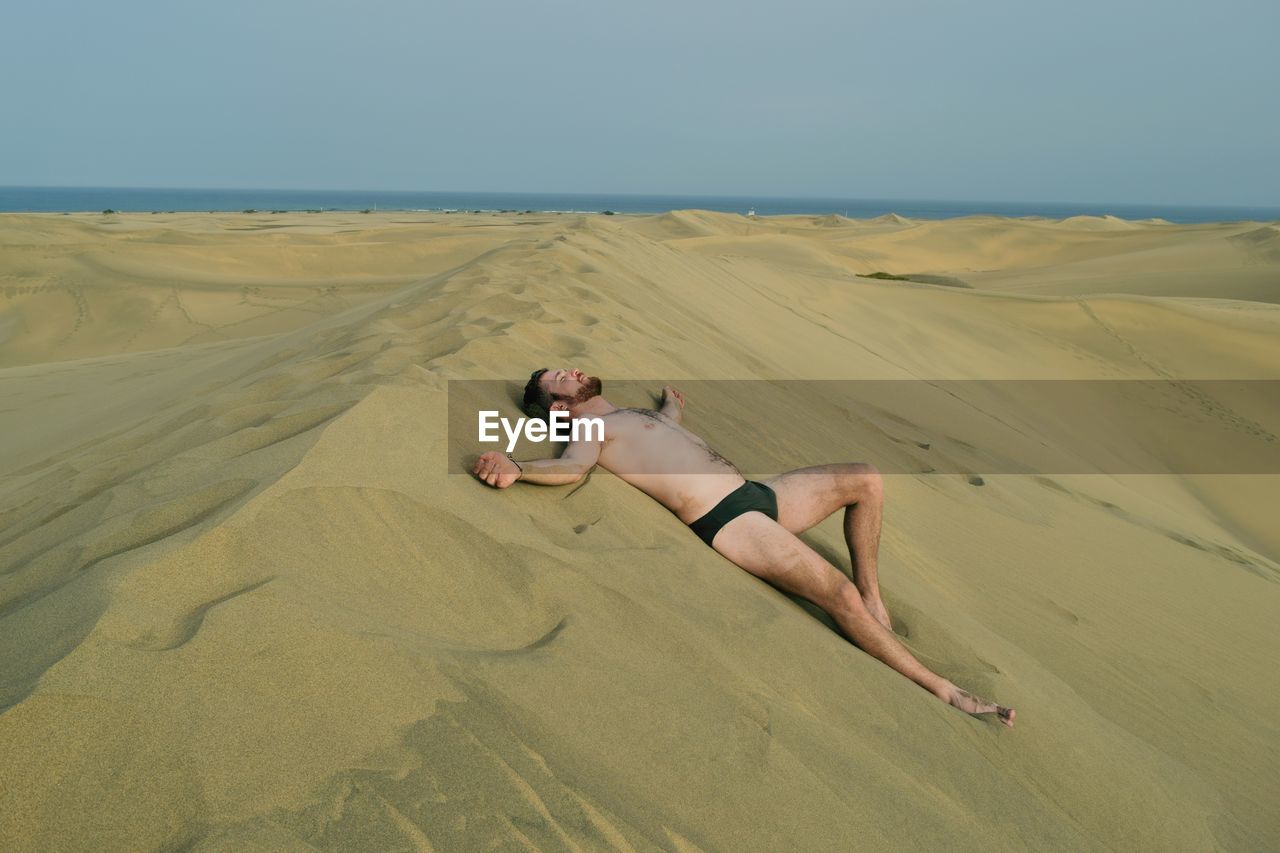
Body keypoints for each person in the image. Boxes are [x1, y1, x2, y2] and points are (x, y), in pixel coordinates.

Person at [473, 367, 1015, 727]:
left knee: (867, 479)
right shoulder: (587, 432)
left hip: (759, 493)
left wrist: (670, 407)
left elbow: (666, 428)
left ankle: (878, 601)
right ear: (558, 407)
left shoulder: (628, 415)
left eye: (563, 368)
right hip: (728, 520)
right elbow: (571, 470)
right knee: (836, 595)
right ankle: (942, 689)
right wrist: (517, 468)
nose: (568, 372)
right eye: (556, 381)